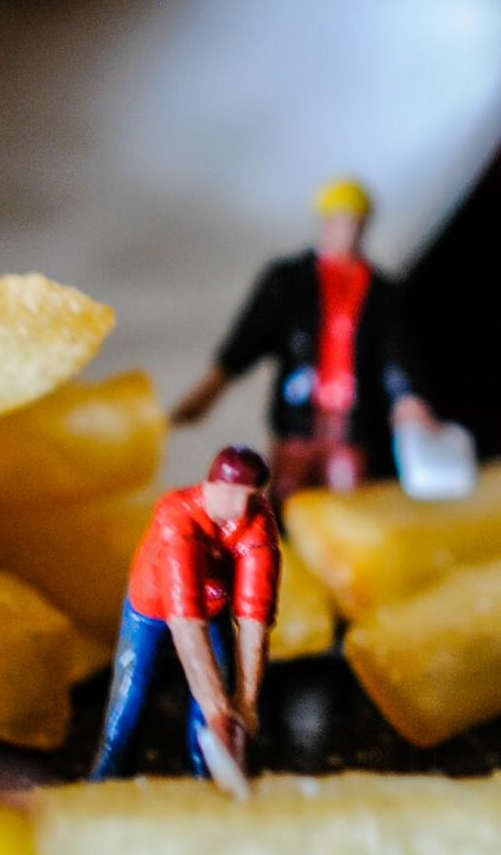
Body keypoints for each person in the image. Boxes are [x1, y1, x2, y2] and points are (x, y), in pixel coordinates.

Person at [172, 177, 441, 495]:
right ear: (325, 222)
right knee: (287, 490)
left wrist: (409, 399)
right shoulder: (289, 280)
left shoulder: (382, 292)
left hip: (353, 421)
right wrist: (211, 387)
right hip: (299, 415)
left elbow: (396, 353)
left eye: (356, 222)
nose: (349, 230)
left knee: (347, 496)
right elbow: (251, 336)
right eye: (341, 221)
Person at [88, 445, 278, 793]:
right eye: (233, 496)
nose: (240, 510)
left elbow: (255, 617)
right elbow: (187, 623)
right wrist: (221, 711)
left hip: (213, 609)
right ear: (213, 486)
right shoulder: (176, 516)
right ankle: (105, 784)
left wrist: (246, 706)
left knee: (208, 715)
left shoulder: (257, 519)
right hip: (153, 612)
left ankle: (210, 787)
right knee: (131, 701)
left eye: (250, 498)